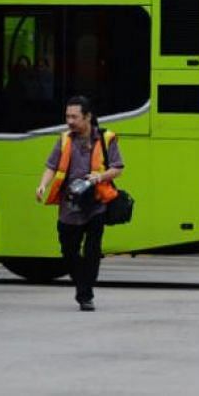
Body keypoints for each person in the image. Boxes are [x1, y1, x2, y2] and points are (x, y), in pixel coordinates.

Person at [35, 96, 124, 311]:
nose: (70, 121)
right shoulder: (64, 139)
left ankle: (85, 295)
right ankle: (82, 283)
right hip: (70, 206)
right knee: (69, 252)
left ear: (87, 117)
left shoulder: (105, 138)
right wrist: (42, 185)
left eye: (75, 117)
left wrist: (100, 177)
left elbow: (118, 168)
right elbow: (51, 166)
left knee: (93, 251)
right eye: (68, 116)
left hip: (95, 204)